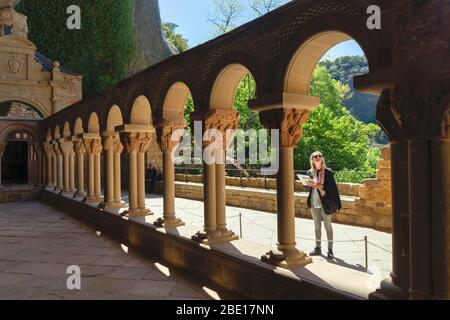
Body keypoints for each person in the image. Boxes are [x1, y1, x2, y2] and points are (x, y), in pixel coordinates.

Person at [306, 151, 341, 259]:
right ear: (312, 160)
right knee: (317, 226)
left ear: (322, 159)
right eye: (314, 156)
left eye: (319, 155)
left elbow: (332, 189)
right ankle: (318, 248)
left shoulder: (328, 172)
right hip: (313, 201)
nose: (317, 157)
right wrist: (308, 184)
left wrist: (319, 187)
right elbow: (308, 189)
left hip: (326, 202)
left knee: (328, 226)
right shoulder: (310, 172)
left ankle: (330, 250)